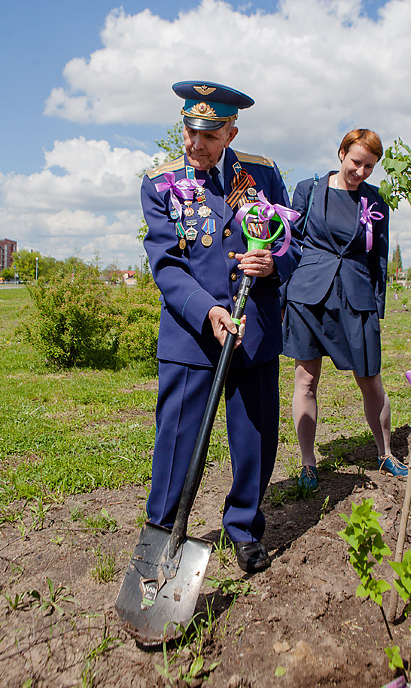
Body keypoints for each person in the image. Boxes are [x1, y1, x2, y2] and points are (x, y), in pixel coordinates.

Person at [141, 80, 301, 572]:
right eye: (191, 131)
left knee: (254, 435)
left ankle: (245, 527)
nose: (197, 144)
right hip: (192, 332)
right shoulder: (160, 182)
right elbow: (165, 263)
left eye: (210, 134)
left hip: (252, 328)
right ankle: (162, 532)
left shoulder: (263, 174)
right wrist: (206, 310)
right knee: (176, 439)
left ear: (231, 131)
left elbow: (290, 243)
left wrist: (274, 264)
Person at [282, 128, 408, 491]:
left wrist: (376, 307)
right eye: (356, 162)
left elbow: (378, 259)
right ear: (341, 154)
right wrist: (282, 297)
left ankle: (385, 453)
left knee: (371, 379)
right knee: (306, 379)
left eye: (369, 166)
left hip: (356, 298)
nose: (361, 171)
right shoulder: (308, 189)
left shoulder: (375, 201)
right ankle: (308, 464)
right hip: (309, 295)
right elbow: (290, 244)